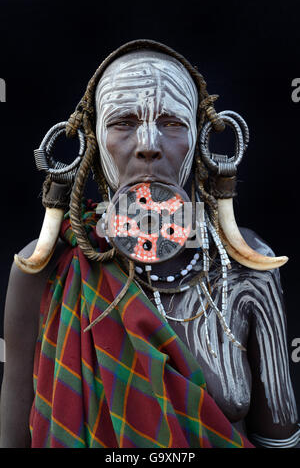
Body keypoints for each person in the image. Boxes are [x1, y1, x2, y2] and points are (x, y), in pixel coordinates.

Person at [0, 39, 299, 448]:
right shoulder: (43, 269)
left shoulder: (248, 270)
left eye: (172, 123)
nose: (148, 144)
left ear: (202, 140)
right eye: (122, 122)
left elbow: (280, 439)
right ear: (90, 140)